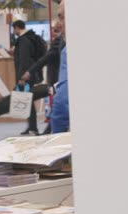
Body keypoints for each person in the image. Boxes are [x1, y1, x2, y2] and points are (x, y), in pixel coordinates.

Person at [21, 21, 66, 134]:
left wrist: (29, 72)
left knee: (58, 108)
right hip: (55, 79)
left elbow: (45, 59)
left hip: (58, 80)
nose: (53, 31)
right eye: (52, 30)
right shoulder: (57, 42)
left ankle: (47, 132)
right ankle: (47, 131)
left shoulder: (59, 42)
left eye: (55, 30)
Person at [13, 20, 41, 136]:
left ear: (17, 28)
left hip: (26, 75)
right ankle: (31, 126)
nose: (14, 31)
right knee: (28, 100)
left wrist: (21, 77)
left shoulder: (23, 40)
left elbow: (24, 60)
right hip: (29, 73)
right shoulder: (29, 38)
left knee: (28, 100)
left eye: (14, 29)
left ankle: (33, 128)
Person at [51, 0, 70, 133]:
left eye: (61, 17)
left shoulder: (69, 51)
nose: (58, 25)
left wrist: (56, 136)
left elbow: (62, 101)